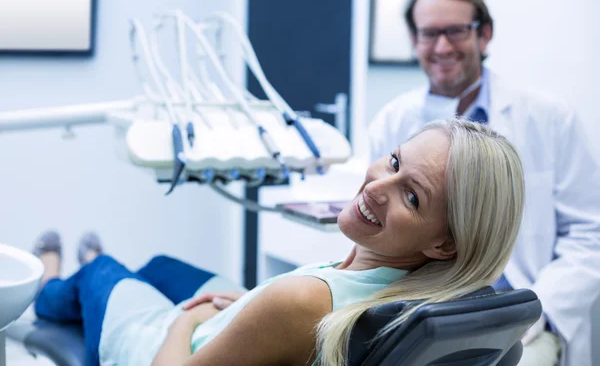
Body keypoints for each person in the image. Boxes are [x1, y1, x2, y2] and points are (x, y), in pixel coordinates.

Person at [32, 119, 524, 366]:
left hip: (165, 347)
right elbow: (300, 326)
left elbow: (296, 311)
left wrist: (188, 318)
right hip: (239, 319)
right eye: (394, 163)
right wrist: (252, 308)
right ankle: (99, 283)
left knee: (102, 274)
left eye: (411, 196)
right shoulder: (409, 286)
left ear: (444, 245)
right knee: (161, 265)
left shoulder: (301, 302)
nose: (375, 186)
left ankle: (54, 279)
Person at [368, 0, 600, 366]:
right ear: (414, 41)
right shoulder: (393, 122)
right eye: (429, 34)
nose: (442, 47)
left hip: (524, 312)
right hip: (424, 309)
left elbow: (589, 232)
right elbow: (376, 225)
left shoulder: (549, 119)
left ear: (484, 34)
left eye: (455, 31)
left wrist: (541, 310)